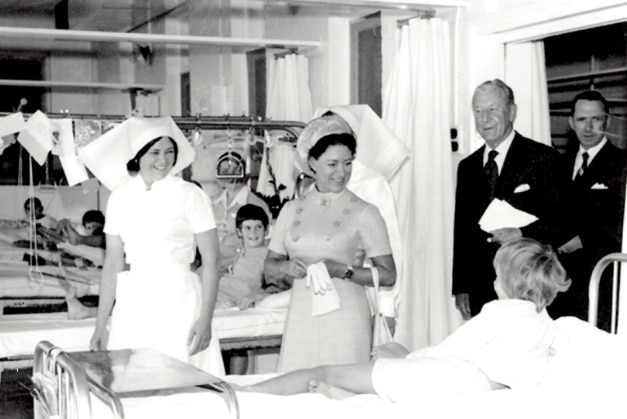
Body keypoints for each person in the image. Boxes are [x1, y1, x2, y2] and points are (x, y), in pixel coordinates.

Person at [242, 238, 571, 402]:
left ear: (510, 280)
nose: (494, 279)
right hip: (474, 387)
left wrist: (404, 356)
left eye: (497, 274)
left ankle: (243, 397)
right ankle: (353, 398)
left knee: (325, 369)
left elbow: (449, 352)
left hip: (455, 381)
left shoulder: (500, 312)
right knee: (372, 373)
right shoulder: (545, 322)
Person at [86, 116, 224, 376]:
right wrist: (101, 322)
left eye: (170, 152)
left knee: (181, 381)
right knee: (130, 379)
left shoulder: (191, 194)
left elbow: (212, 261)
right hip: (134, 302)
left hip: (179, 300)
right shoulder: (119, 198)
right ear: (138, 156)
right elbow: (113, 263)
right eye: (155, 152)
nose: (164, 160)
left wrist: (205, 319)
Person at [264, 117, 397, 372]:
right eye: (332, 164)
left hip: (346, 317)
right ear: (312, 163)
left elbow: (389, 274)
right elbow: (269, 266)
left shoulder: (365, 212)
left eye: (347, 163)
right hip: (301, 316)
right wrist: (287, 267)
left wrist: (342, 270)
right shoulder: (292, 210)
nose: (341, 172)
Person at [453, 79, 562, 319]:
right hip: (481, 288)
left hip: (528, 283)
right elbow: (462, 231)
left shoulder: (543, 158)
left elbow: (562, 223)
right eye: (478, 111)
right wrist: (461, 288)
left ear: (512, 111)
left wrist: (521, 233)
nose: (484, 119)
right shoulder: (467, 167)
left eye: (493, 109)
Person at [551, 90, 627, 331]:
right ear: (571, 122)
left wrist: (584, 240)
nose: (589, 126)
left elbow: (621, 224)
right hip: (559, 280)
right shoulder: (558, 164)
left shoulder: (621, 163)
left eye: (596, 119)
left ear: (607, 121)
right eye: (582, 119)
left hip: (600, 281)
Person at [211, 151, 272, 274]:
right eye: (225, 172)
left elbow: (265, 245)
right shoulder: (212, 204)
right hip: (213, 268)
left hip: (243, 271)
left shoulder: (256, 204)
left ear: (243, 173)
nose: (230, 176)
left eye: (235, 170)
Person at [216, 203, 269, 310]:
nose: (253, 232)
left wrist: (257, 297)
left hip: (235, 299)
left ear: (266, 230)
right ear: (239, 232)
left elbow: (276, 288)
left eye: (258, 227)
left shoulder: (268, 256)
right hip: (221, 294)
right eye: (248, 228)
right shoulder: (242, 253)